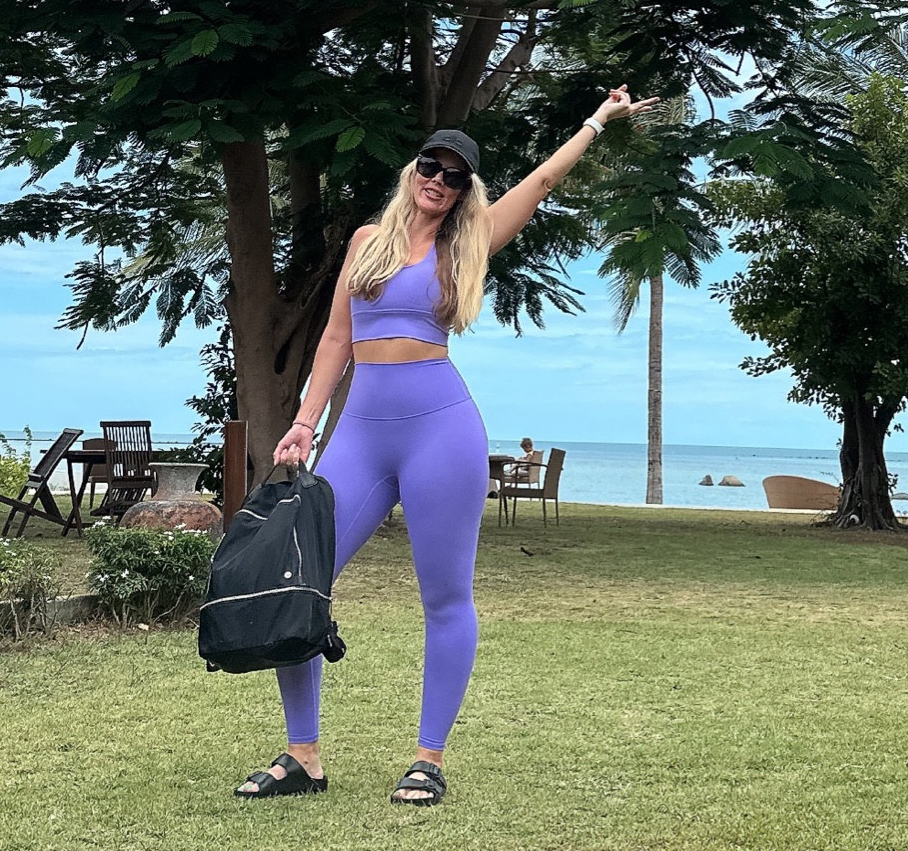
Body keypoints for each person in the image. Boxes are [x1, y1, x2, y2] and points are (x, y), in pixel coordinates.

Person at [232, 85, 657, 806]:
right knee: (297, 582)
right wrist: (305, 421)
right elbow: (337, 337)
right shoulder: (368, 243)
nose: (440, 180)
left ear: (465, 193)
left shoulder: (470, 242)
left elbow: (545, 180)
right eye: (432, 165)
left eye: (456, 176)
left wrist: (598, 120)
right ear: (413, 170)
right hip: (359, 433)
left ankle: (428, 758)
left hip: (442, 431)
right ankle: (303, 755)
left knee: (446, 597)